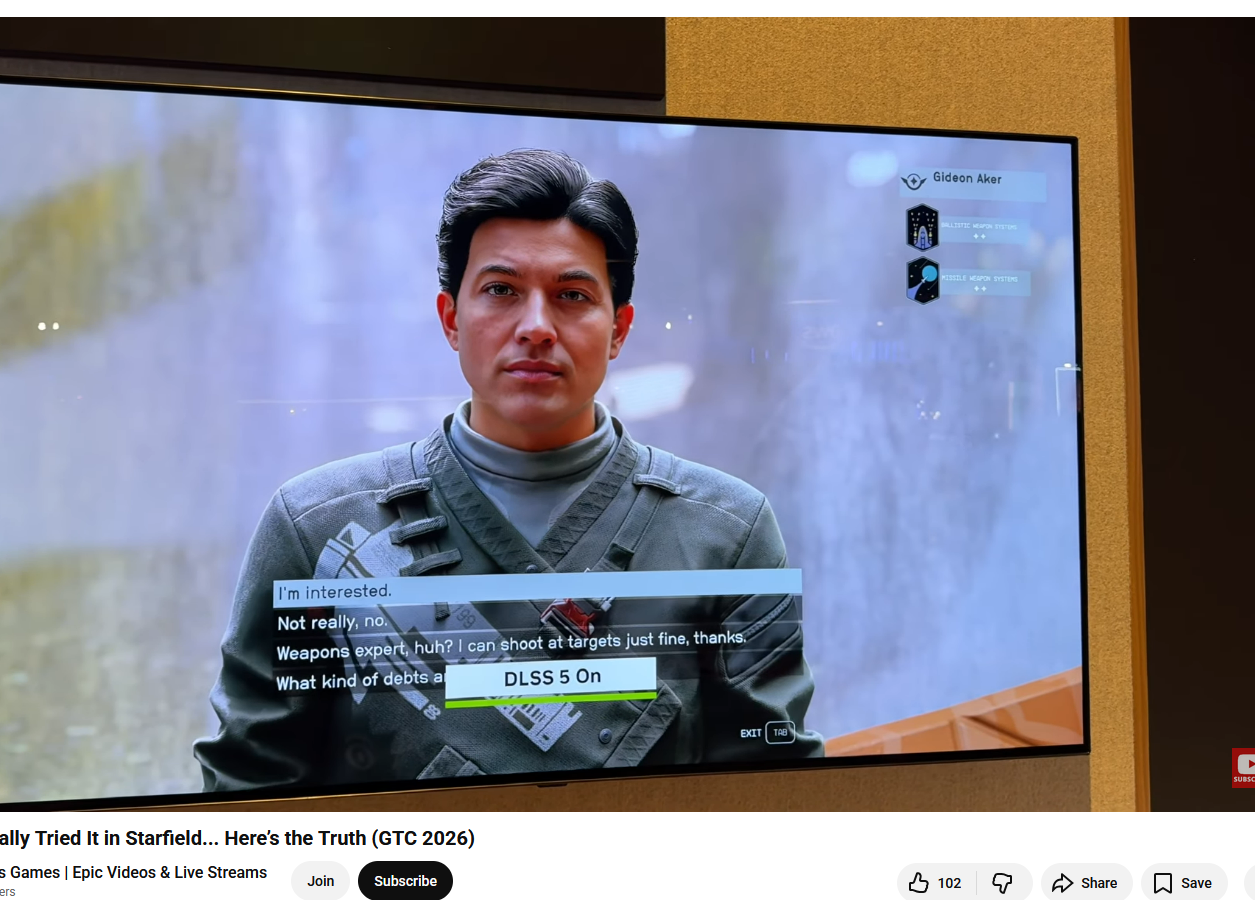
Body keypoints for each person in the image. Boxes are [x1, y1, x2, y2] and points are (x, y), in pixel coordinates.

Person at [194, 149, 822, 791]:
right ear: (451, 319)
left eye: (572, 295)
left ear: (619, 330)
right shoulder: (315, 529)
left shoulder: (728, 532)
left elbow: (773, 800)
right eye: (501, 290)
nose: (536, 327)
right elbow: (249, 800)